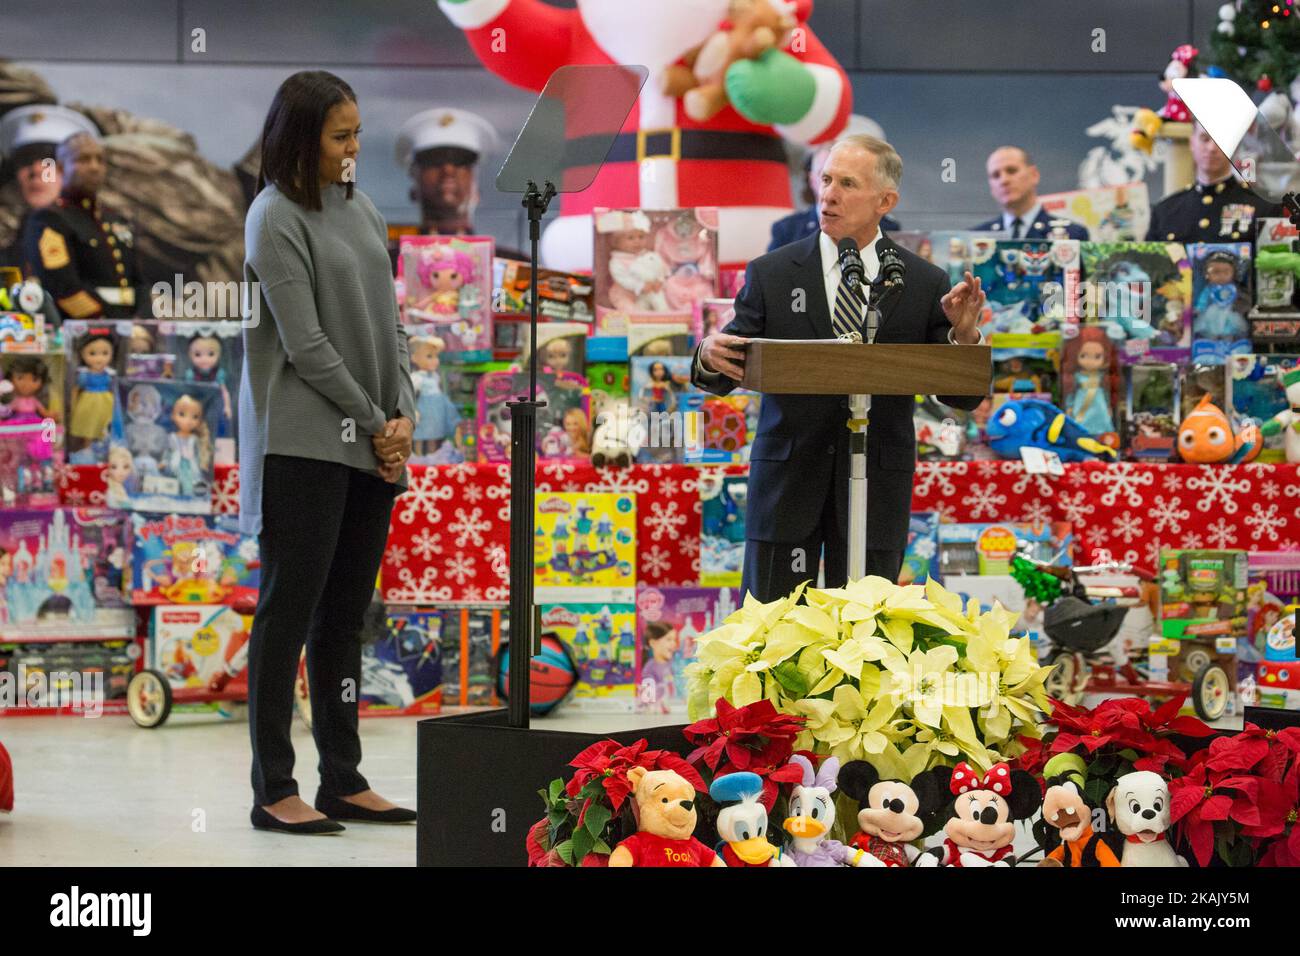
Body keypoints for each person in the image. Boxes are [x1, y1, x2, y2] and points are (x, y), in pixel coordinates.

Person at [694, 134, 988, 600]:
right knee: (773, 635)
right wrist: (707, 351)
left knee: (866, 639)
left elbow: (962, 395)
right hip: (787, 482)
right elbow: (727, 361)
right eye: (827, 179)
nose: (828, 193)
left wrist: (964, 337)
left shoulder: (922, 281)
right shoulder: (772, 272)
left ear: (885, 201)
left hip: (877, 485)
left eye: (847, 183)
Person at [240, 70, 419, 835]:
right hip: (304, 444)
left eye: (356, 134)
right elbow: (306, 344)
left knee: (345, 619)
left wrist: (403, 409)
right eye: (340, 137)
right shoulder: (273, 218)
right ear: (300, 138)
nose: (354, 150)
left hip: (374, 436)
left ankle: (342, 778)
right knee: (287, 614)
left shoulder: (362, 205)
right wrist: (375, 416)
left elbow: (391, 317)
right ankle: (273, 787)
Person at [20, 131, 144, 319]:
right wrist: (111, 324)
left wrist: (141, 323)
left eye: (100, 160)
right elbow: (63, 287)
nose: (94, 167)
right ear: (61, 168)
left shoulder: (116, 220)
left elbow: (140, 282)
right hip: (85, 329)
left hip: (131, 329)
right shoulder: (48, 219)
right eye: (84, 159)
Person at [393, 106, 525, 260]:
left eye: (461, 161)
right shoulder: (387, 265)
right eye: (433, 159)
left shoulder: (511, 266)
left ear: (477, 190)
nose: (448, 170)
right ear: (414, 185)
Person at [1145, 121, 1282, 243]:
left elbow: (1274, 268)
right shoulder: (1165, 211)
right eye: (1205, 139)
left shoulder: (1265, 207)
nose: (1212, 148)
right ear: (1192, 143)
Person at [769, 126, 900, 252]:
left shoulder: (886, 228)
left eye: (847, 182)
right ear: (811, 178)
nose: (831, 193)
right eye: (825, 178)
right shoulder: (788, 230)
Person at [0, 104, 99, 272]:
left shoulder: (103, 238)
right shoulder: (9, 246)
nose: (36, 170)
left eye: (49, 159)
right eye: (25, 159)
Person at [973, 146, 1089, 240]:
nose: (1004, 180)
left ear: (1034, 175)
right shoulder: (977, 239)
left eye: (1012, 171)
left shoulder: (1072, 235)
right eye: (995, 175)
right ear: (991, 186)